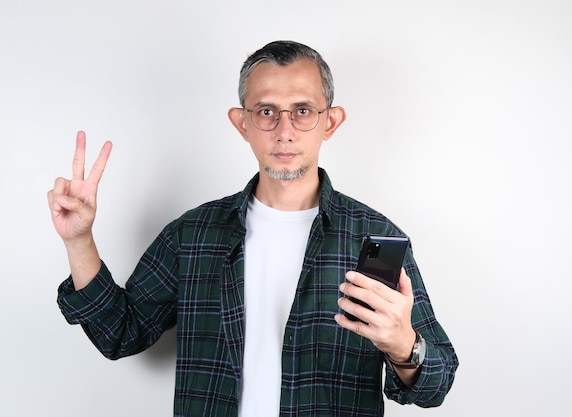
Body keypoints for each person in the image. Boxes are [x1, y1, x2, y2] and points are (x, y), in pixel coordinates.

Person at [48, 40, 458, 417]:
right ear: (241, 122)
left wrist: (404, 345)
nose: (284, 131)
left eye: (302, 111)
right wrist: (79, 241)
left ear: (330, 122)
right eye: (266, 112)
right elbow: (119, 334)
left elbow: (436, 384)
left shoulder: (373, 239)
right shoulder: (192, 235)